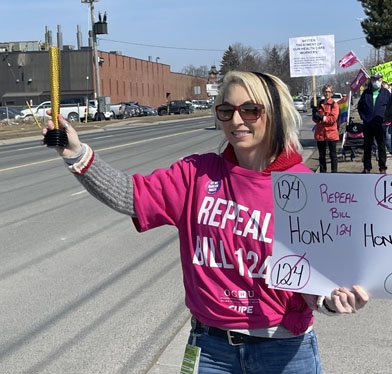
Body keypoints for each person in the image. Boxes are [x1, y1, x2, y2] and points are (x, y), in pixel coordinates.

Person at [42, 71, 369, 373]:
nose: (236, 120)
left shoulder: (303, 186)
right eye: (226, 111)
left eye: (250, 110)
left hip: (283, 351)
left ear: (274, 114)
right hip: (210, 349)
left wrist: (330, 300)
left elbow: (312, 281)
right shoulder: (195, 174)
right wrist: (76, 152)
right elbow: (131, 196)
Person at [357, 72, 391, 173]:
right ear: (371, 80)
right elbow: (360, 107)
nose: (376, 82)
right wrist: (364, 118)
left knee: (381, 146)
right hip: (368, 124)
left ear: (381, 80)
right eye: (374, 79)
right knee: (367, 146)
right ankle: (367, 167)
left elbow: (391, 107)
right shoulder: (366, 93)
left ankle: (382, 167)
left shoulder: (386, 93)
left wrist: (386, 118)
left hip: (381, 124)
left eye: (378, 79)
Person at [313, 84, 340, 173]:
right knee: (321, 156)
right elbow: (316, 120)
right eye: (325, 91)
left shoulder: (334, 105)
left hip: (331, 133)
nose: (327, 93)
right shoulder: (320, 104)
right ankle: (323, 173)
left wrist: (322, 118)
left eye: (329, 92)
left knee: (333, 155)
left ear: (332, 93)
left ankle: (334, 173)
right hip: (320, 133)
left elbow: (333, 119)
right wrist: (315, 115)